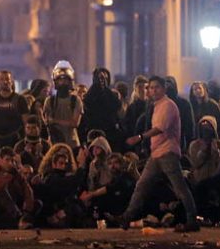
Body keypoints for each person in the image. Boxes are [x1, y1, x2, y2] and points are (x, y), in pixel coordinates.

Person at [118, 76, 199, 231]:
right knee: (142, 185)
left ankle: (192, 219)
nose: (153, 91)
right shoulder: (156, 106)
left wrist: (140, 137)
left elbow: (160, 128)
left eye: (156, 87)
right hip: (157, 153)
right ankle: (126, 217)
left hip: (167, 152)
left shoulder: (168, 105)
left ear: (163, 89)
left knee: (179, 187)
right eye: (151, 88)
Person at [82, 67, 123, 150]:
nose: (102, 80)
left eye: (104, 78)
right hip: (93, 131)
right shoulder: (90, 95)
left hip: (110, 132)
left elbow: (117, 107)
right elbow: (88, 106)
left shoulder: (111, 95)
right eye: (100, 78)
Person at [44, 61, 83, 146]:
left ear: (70, 81)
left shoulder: (76, 100)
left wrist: (55, 121)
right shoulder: (49, 101)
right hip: (54, 144)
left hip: (72, 144)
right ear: (55, 81)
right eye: (60, 80)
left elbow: (75, 123)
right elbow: (47, 121)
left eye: (65, 80)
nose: (63, 83)